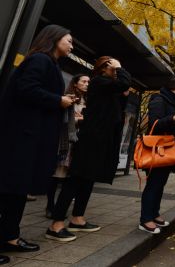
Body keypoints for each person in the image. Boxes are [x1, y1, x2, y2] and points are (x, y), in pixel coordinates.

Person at [0, 25, 74, 264]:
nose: (72, 45)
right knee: (8, 189)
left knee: (18, 190)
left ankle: (10, 236)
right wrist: (58, 100)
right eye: (69, 40)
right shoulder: (40, 60)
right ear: (54, 39)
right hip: (20, 137)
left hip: (29, 137)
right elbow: (27, 90)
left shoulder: (50, 63)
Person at [46, 56, 131, 242]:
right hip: (91, 138)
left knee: (88, 179)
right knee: (76, 178)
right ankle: (56, 224)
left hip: (101, 139)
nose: (116, 69)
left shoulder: (108, 87)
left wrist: (123, 94)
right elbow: (124, 83)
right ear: (104, 67)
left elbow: (118, 109)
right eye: (113, 65)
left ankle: (77, 218)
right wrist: (120, 67)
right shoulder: (99, 82)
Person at [138, 77, 175, 234]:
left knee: (160, 184)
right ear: (173, 88)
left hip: (167, 150)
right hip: (157, 150)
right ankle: (145, 219)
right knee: (154, 184)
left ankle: (154, 213)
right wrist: (174, 118)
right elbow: (155, 124)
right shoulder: (159, 100)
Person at [46, 74, 90, 219]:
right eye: (83, 81)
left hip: (79, 141)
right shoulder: (68, 97)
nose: (86, 84)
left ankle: (59, 206)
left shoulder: (89, 100)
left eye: (88, 82)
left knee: (69, 176)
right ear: (75, 83)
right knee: (57, 173)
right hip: (65, 140)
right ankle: (50, 206)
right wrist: (78, 119)